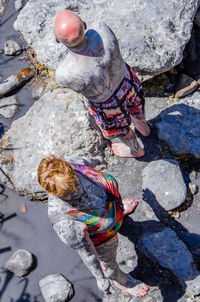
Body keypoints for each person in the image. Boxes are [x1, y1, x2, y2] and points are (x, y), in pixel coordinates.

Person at [37, 155, 149, 297]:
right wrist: (100, 278)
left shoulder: (70, 165)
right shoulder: (64, 222)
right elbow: (88, 254)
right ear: (54, 191)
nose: (76, 191)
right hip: (104, 241)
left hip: (113, 208)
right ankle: (120, 280)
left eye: (75, 184)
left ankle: (118, 212)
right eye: (67, 193)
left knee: (112, 212)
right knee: (109, 264)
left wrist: (98, 159)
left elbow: (86, 161)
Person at [54, 10, 151, 158]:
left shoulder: (64, 73)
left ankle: (136, 150)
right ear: (85, 25)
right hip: (127, 80)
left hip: (107, 102)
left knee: (121, 129)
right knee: (137, 105)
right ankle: (144, 128)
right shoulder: (102, 29)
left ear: (57, 40)